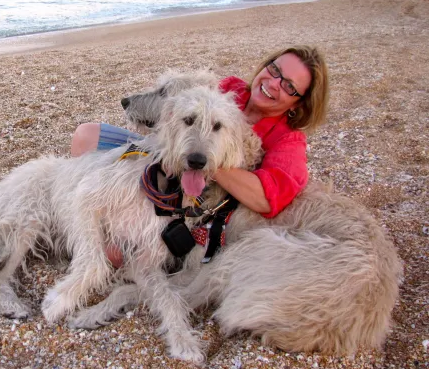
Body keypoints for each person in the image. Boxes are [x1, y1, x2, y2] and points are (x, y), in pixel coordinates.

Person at [72, 46, 329, 264]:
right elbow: (174, 111)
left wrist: (204, 155)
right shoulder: (229, 88)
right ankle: (78, 212)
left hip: (193, 196)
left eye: (288, 86)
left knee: (114, 252)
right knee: (86, 135)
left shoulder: (288, 140)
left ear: (299, 103)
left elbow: (265, 199)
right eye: (275, 70)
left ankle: (91, 232)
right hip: (164, 153)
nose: (273, 83)